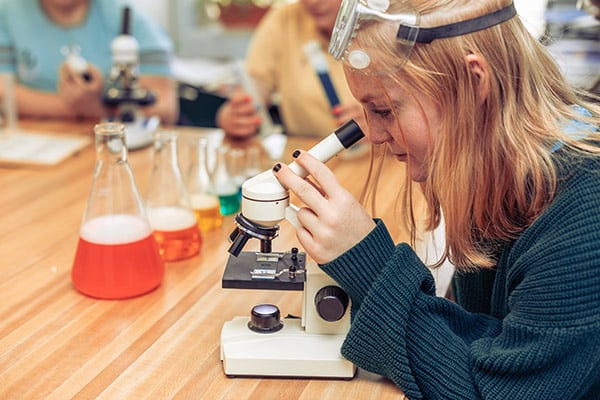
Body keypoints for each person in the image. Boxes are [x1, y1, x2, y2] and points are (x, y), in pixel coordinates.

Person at [272, 0, 600, 398]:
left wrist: (367, 264)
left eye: (385, 110)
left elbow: (488, 389)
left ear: (474, 80)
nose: (374, 135)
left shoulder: (583, 218)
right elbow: (478, 340)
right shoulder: (498, 170)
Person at [0, 0, 178, 125]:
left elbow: (165, 108)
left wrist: (95, 107)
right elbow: (4, 94)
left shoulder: (133, 18)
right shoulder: (7, 12)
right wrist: (87, 108)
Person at [216, 0, 364, 138]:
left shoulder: (381, 23)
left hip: (376, 157)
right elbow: (254, 89)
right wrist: (236, 115)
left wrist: (380, 120)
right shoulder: (285, 19)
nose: (312, 2)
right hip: (306, 154)